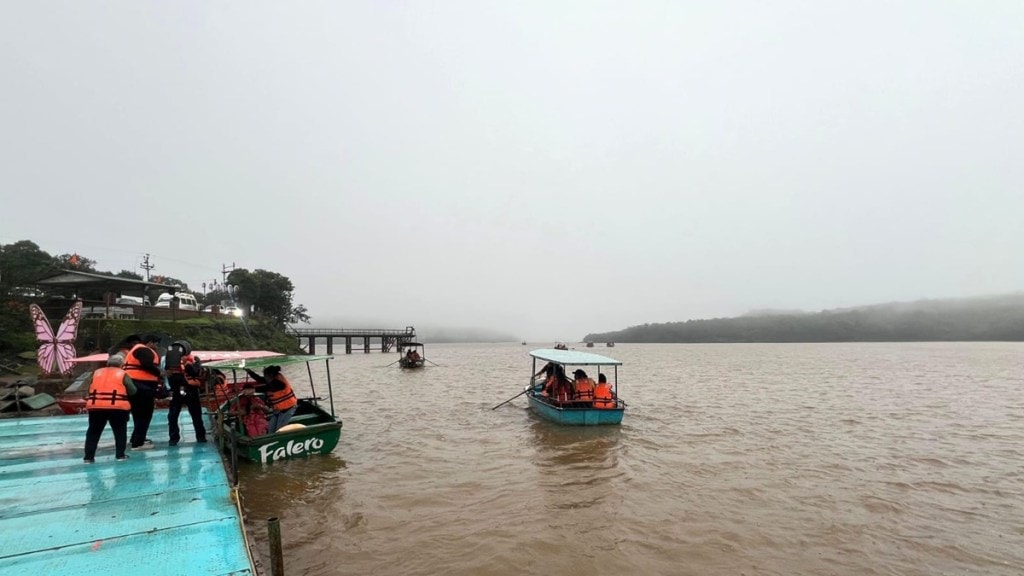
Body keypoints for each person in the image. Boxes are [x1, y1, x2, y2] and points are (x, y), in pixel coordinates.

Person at [83, 354, 137, 462]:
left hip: (96, 407)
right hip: (117, 407)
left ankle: (88, 457)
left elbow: (90, 388)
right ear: (122, 364)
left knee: (93, 432)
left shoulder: (97, 373)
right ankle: (120, 455)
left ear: (108, 363)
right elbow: (132, 390)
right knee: (120, 432)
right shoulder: (123, 374)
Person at [123, 333, 164, 450]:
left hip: (135, 386)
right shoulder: (144, 350)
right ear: (150, 342)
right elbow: (147, 365)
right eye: (156, 344)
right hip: (142, 386)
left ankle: (136, 438)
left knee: (138, 414)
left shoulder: (136, 350)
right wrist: (159, 373)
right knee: (145, 414)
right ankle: (138, 443)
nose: (156, 347)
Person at [166, 340, 207, 446]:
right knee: (196, 415)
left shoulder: (168, 363)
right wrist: (198, 363)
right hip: (190, 391)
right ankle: (201, 436)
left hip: (175, 391)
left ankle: (173, 438)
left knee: (173, 416)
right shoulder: (189, 362)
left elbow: (166, 375)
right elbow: (195, 372)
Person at [245, 365, 298, 433]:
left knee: (279, 430)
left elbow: (268, 387)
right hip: (278, 410)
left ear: (271, 375)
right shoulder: (271, 379)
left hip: (288, 409)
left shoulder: (279, 383)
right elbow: (259, 379)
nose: (264, 378)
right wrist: (248, 371)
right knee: (270, 429)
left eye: (265, 376)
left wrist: (254, 390)